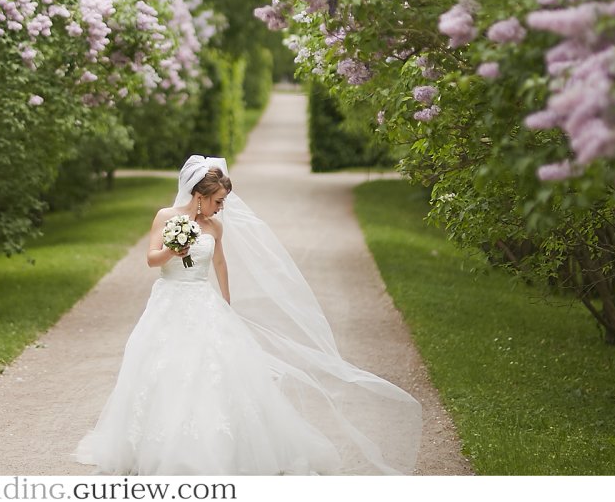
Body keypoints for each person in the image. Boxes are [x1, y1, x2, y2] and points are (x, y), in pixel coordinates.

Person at [74, 154, 422, 475]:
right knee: (163, 366)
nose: (221, 207)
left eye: (223, 202)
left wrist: (225, 305)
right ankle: (153, 446)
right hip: (168, 300)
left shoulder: (214, 228)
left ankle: (217, 446)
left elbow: (220, 264)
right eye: (217, 201)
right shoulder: (166, 217)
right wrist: (172, 250)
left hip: (201, 299)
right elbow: (151, 259)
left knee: (212, 368)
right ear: (199, 196)